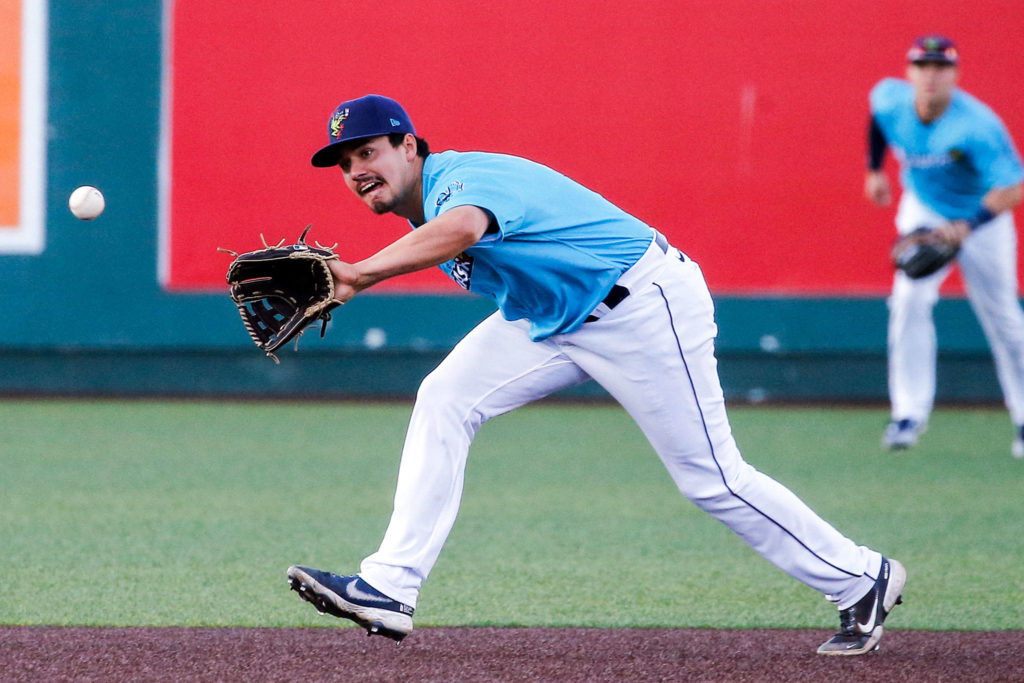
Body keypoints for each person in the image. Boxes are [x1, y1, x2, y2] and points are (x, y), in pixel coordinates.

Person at [286, 94, 905, 655]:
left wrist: (358, 273)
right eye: (344, 164)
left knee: (711, 479)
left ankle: (860, 576)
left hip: (643, 305)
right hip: (554, 320)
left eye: (367, 151)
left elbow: (465, 228)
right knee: (445, 397)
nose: (356, 170)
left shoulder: (461, 179)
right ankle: (388, 589)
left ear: (410, 147)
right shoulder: (420, 214)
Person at [866, 36, 1024, 456]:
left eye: (941, 67)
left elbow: (1013, 187)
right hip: (925, 208)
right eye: (923, 65)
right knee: (908, 300)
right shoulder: (891, 99)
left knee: (1004, 320)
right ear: (910, 72)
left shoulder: (977, 125)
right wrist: (873, 171)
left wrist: (968, 225)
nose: (931, 74)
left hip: (982, 215)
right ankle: (908, 414)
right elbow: (878, 121)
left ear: (954, 74)